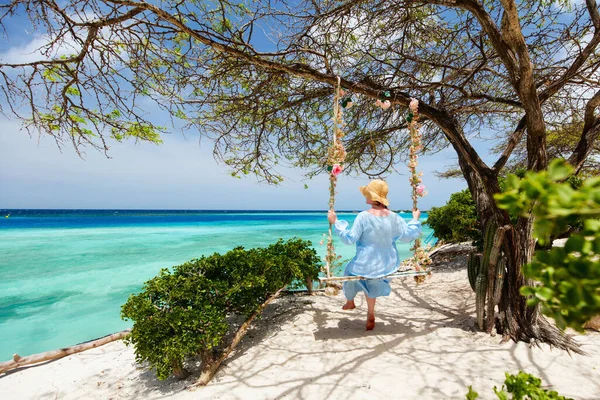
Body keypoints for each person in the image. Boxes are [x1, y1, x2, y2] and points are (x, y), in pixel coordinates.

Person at [327, 179, 422, 331]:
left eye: (368, 193)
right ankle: (370, 314)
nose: (365, 196)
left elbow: (349, 239)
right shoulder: (394, 217)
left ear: (373, 197)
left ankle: (350, 301)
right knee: (372, 281)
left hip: (365, 263)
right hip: (387, 263)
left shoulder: (363, 216)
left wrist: (336, 222)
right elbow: (407, 236)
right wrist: (415, 219)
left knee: (349, 272)